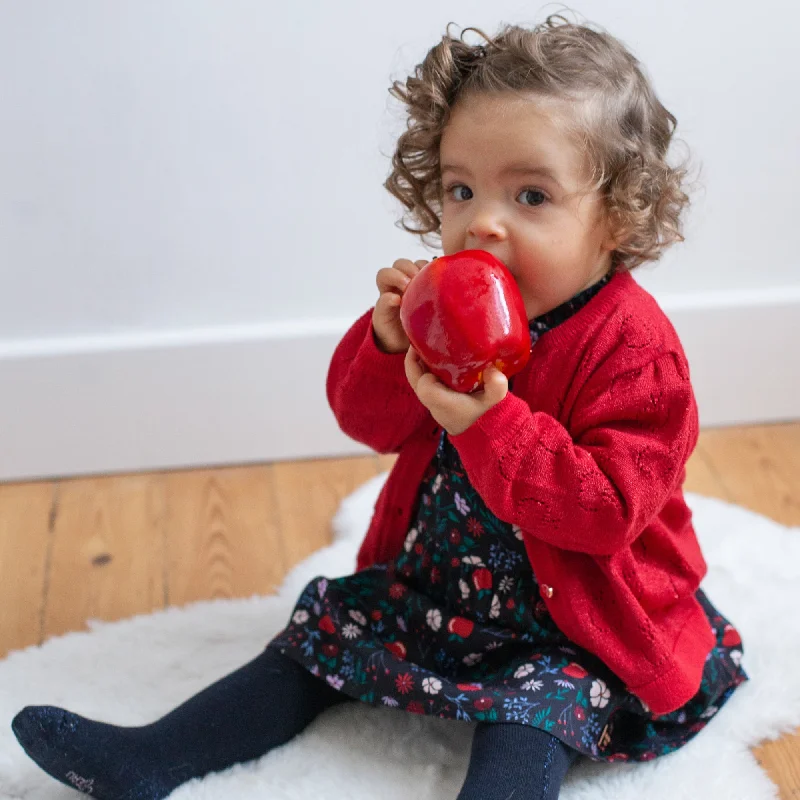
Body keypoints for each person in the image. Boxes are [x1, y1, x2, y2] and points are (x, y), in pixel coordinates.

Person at [11, 15, 748, 799]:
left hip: (573, 624)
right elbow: (368, 424)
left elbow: (605, 510)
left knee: (538, 711)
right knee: (318, 633)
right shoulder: (446, 306)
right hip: (439, 589)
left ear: (618, 218)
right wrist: (390, 346)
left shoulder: (635, 351)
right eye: (462, 188)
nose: (482, 222)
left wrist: (491, 427)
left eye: (531, 194)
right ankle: (151, 758)